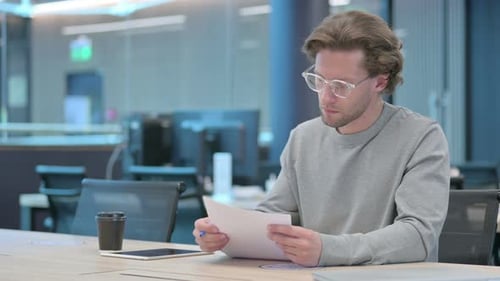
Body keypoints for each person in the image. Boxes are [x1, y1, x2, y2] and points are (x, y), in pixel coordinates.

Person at [193, 10, 450, 267]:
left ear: (380, 82)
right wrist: (226, 234)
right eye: (319, 80)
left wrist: (328, 249)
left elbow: (418, 235)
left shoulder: (421, 137)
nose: (326, 97)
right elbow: (271, 218)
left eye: (341, 86)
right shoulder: (303, 138)